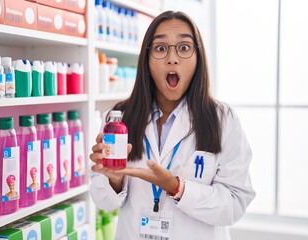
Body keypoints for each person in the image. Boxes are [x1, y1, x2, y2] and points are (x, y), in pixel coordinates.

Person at [89, 10, 256, 240]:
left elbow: (234, 205)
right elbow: (103, 202)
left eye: (184, 48)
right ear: (146, 59)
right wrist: (114, 179)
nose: (172, 58)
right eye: (160, 48)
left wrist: (177, 187)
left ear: (198, 59)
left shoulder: (223, 119)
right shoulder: (118, 119)